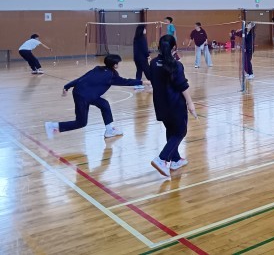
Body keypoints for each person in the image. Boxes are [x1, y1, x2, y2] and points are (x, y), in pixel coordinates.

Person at [44, 54, 146, 139]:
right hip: (85, 96)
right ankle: (52, 126)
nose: (119, 64)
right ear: (115, 65)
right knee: (81, 122)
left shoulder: (98, 69)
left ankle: (109, 130)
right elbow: (126, 81)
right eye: (118, 63)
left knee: (104, 104)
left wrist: (67, 86)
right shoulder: (111, 76)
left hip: (79, 92)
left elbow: (82, 78)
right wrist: (142, 82)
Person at [149, 35, 197, 177]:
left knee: (170, 129)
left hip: (160, 103)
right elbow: (182, 85)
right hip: (175, 104)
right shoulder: (176, 65)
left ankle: (175, 160)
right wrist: (190, 103)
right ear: (174, 47)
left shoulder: (153, 63)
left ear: (159, 47)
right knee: (180, 131)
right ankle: (162, 159)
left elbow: (153, 79)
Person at [133, 24, 150, 89]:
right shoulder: (142, 38)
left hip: (136, 58)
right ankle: (152, 82)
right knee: (147, 70)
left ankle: (137, 84)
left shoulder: (136, 38)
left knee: (139, 70)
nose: (145, 30)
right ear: (141, 30)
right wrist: (148, 55)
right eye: (144, 29)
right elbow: (144, 49)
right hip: (142, 58)